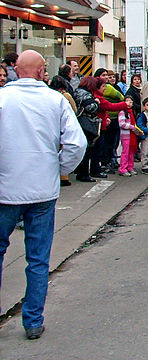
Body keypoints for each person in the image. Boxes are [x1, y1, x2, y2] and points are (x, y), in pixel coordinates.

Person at [0, 50, 87, 340]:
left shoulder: (2, 100)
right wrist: (57, 169)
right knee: (37, 259)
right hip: (42, 191)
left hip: (5, 189)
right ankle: (33, 321)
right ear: (40, 72)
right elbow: (76, 144)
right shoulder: (55, 101)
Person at [49, 75, 78, 187]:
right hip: (63, 127)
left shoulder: (48, 96)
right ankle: (63, 176)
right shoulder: (65, 96)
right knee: (63, 149)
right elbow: (74, 109)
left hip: (51, 127)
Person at [117, 95, 139, 176]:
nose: (129, 103)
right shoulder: (122, 112)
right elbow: (122, 124)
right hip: (125, 136)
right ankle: (123, 168)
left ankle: (130, 167)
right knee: (125, 152)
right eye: (127, 101)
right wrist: (131, 127)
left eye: (131, 101)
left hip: (132, 135)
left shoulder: (132, 112)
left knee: (131, 152)